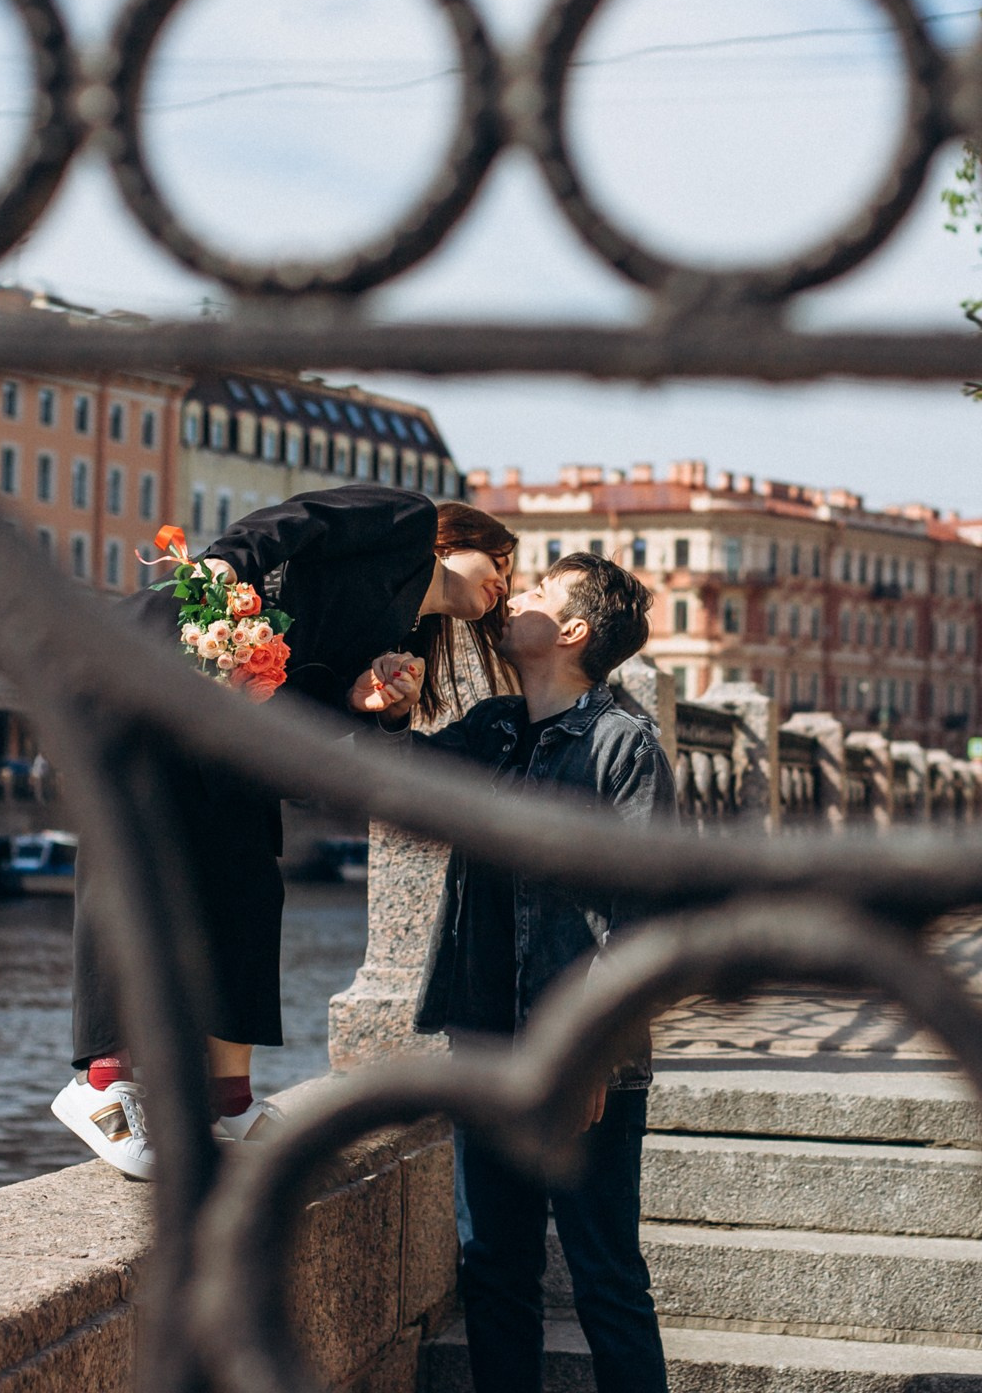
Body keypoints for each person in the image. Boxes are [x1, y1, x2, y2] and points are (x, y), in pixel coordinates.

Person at [52, 485, 514, 1175]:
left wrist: (368, 706)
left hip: (227, 734)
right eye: (501, 562)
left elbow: (310, 736)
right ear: (454, 542)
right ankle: (101, 1084)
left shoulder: (396, 639)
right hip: (159, 663)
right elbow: (301, 519)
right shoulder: (408, 524)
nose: (505, 586)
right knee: (136, 856)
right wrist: (225, 564)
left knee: (249, 883)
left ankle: (226, 1098)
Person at [395, 552, 670, 1393]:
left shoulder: (625, 746)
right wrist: (382, 710)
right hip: (485, 1044)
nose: (516, 598)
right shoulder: (492, 730)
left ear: (576, 630)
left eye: (539, 592)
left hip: (583, 1059)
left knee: (606, 1279)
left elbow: (647, 918)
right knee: (492, 1270)